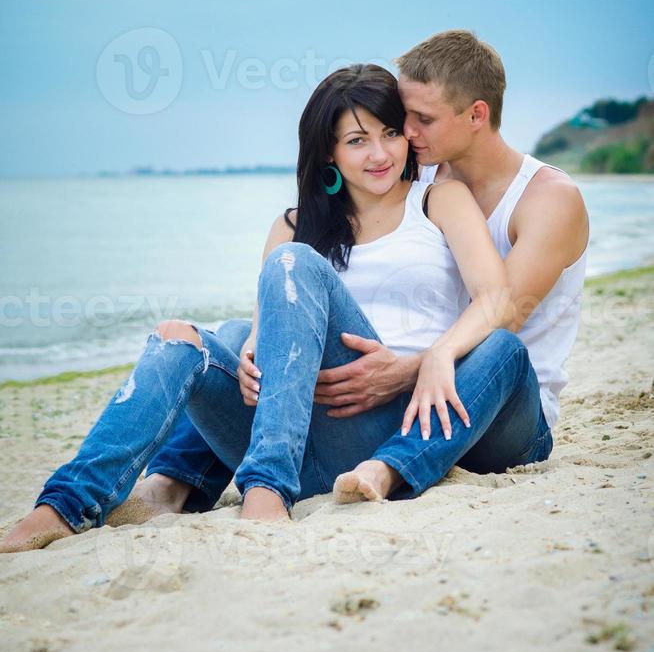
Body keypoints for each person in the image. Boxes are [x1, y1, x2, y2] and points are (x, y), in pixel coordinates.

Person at [1, 63, 514, 552]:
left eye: (390, 133)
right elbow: (264, 329)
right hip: (298, 437)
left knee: (294, 265)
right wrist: (249, 354)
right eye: (357, 140)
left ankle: (265, 492)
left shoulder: (437, 200)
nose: (379, 153)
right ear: (329, 154)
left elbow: (495, 297)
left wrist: (436, 356)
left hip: (386, 429)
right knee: (182, 337)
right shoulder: (293, 225)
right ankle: (63, 508)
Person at [123, 29, 589, 512]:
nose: (404, 134)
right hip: (420, 402)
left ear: (476, 114)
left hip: (502, 405)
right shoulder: (425, 177)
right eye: (400, 120)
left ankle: (386, 468)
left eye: (419, 120)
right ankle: (175, 478)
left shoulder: (547, 199)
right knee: (241, 335)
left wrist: (404, 370)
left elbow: (504, 312)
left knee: (500, 346)